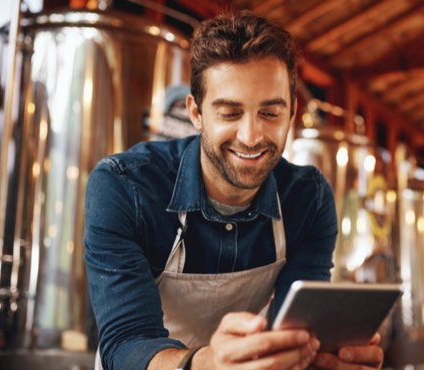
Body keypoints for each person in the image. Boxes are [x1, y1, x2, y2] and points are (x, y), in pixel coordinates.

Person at [84, 10, 384, 370]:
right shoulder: (124, 187)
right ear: (196, 112)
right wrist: (205, 363)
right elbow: (127, 343)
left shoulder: (308, 199)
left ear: (291, 114)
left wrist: (324, 356)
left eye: (270, 114)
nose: (251, 136)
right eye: (230, 112)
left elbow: (292, 329)